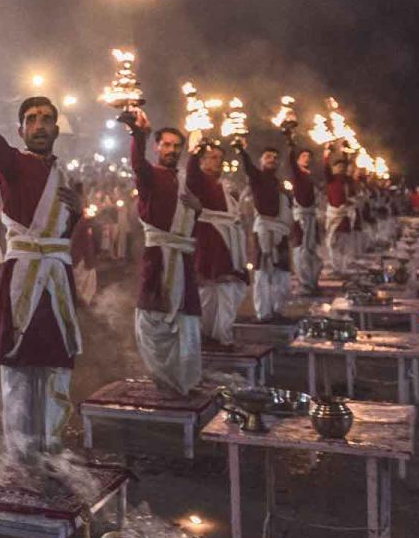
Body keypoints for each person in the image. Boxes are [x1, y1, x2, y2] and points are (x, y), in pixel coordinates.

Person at [0, 54, 84, 458]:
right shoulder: (12, 163)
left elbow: (62, 234)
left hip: (57, 282)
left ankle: (52, 445)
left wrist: (77, 214)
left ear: (56, 127)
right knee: (18, 366)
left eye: (47, 118)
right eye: (32, 119)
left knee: (56, 365)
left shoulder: (66, 178)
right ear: (22, 129)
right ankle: (21, 453)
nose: (40, 125)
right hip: (24, 280)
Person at [122, 108, 203, 396]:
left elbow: (196, 213)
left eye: (176, 146)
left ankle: (184, 382)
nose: (171, 150)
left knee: (187, 322)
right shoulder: (150, 176)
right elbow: (137, 163)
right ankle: (163, 379)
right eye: (166, 145)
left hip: (182, 259)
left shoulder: (184, 178)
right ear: (158, 147)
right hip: (158, 259)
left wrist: (198, 208)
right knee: (153, 322)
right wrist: (138, 134)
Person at [188, 141, 246, 348]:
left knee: (226, 291)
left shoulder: (222, 183)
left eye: (220, 158)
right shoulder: (200, 179)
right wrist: (194, 153)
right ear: (202, 161)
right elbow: (192, 175)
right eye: (213, 157)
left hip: (226, 241)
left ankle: (220, 334)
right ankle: (212, 335)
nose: (218, 162)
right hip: (209, 240)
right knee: (210, 292)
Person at [237, 143, 293, 313]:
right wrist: (242, 151)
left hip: (280, 231)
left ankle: (278, 310)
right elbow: (248, 167)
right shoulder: (257, 178)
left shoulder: (278, 183)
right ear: (260, 161)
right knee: (262, 272)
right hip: (263, 230)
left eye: (275, 158)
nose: (272, 160)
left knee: (282, 272)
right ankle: (264, 312)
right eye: (268, 157)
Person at [288, 147, 322, 296]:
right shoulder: (298, 175)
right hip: (300, 218)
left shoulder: (309, 177)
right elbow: (291, 162)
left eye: (309, 156)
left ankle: (312, 282)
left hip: (311, 218)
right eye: (303, 156)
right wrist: (290, 142)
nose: (307, 158)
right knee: (300, 251)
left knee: (311, 251)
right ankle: (305, 283)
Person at [323, 155, 357, 278]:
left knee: (343, 244)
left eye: (343, 166)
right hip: (333, 215)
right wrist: (327, 155)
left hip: (345, 217)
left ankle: (341, 269)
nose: (341, 168)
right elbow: (326, 169)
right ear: (334, 168)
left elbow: (353, 197)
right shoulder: (330, 179)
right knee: (331, 243)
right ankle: (336, 267)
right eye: (338, 166)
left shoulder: (348, 182)